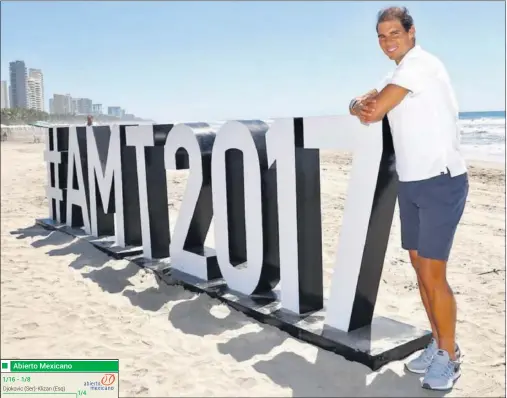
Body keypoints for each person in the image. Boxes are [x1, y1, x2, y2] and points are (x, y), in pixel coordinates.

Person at [349, 6, 468, 391]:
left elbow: (375, 108)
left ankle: (450, 356)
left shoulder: (421, 65)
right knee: (421, 271)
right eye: (381, 36)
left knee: (434, 274)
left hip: (439, 181)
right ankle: (439, 342)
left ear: (411, 32)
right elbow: (362, 104)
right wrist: (358, 105)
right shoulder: (396, 73)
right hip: (412, 183)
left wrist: (363, 107)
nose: (388, 42)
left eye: (394, 34)